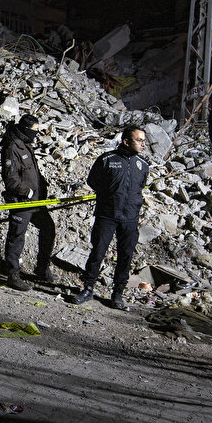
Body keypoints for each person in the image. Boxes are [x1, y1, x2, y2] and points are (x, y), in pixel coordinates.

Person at [67, 125, 149, 311]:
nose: (143, 144)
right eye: (139, 140)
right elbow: (93, 181)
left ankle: (117, 294)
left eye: (144, 140)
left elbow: (141, 185)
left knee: (125, 256)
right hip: (107, 215)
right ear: (126, 141)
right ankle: (88, 289)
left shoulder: (142, 164)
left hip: (130, 218)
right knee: (98, 252)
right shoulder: (107, 159)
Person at [0, 113, 56, 291]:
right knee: (17, 236)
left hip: (36, 201)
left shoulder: (25, 145)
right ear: (25, 130)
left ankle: (42, 268)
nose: (36, 135)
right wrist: (28, 192)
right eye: (34, 131)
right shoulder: (12, 147)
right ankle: (12, 274)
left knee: (48, 228)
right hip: (22, 200)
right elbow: (10, 179)